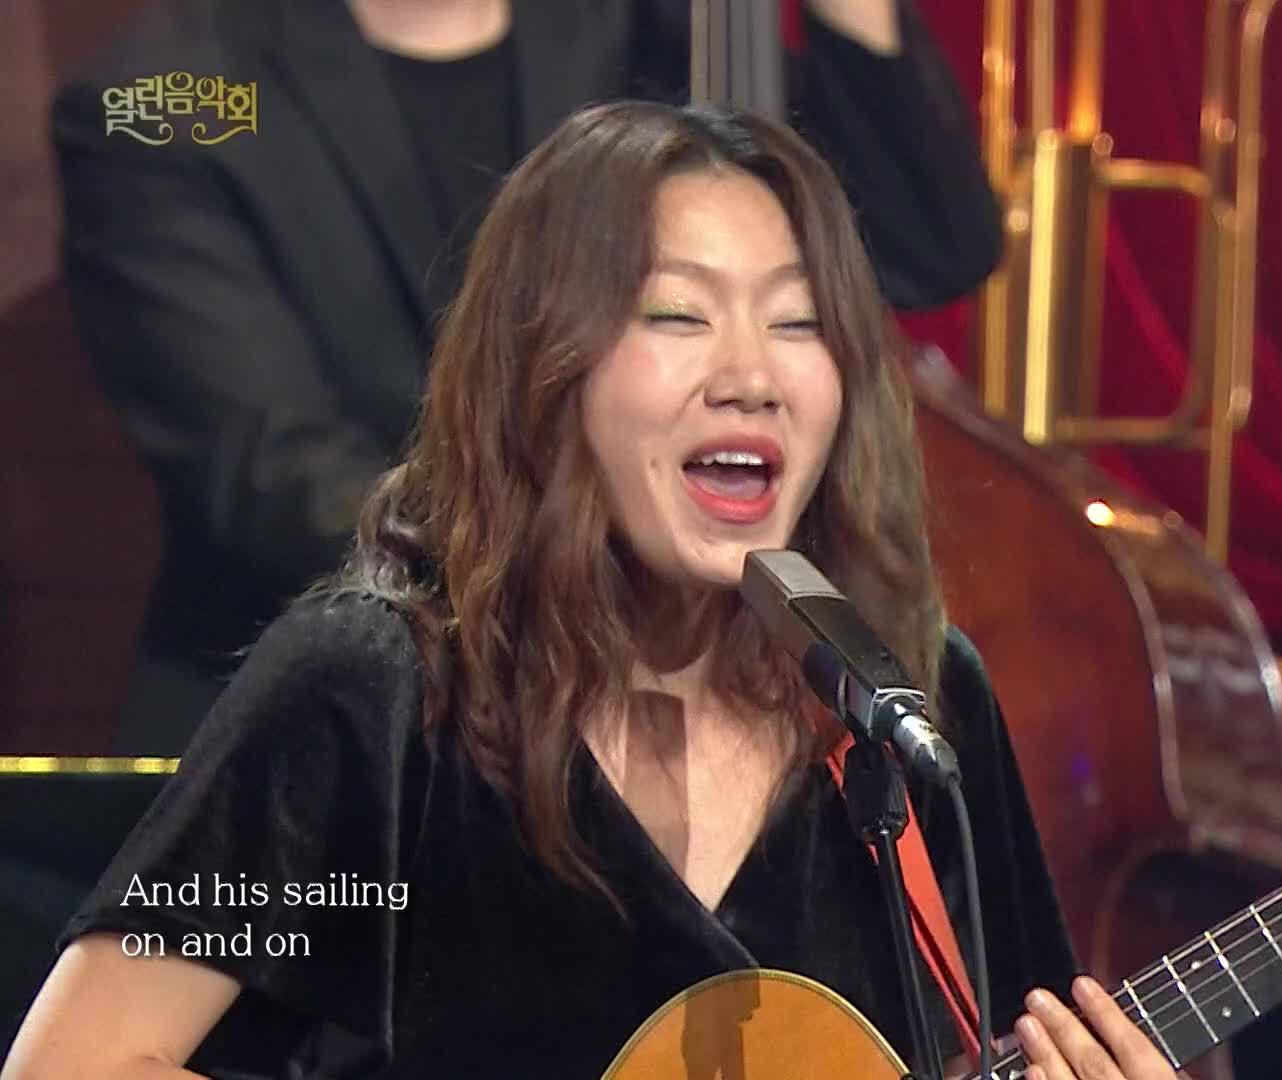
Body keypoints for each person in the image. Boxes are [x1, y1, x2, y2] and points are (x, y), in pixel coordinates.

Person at [4, 103, 1177, 1080]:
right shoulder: (376, 692)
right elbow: (73, 1066)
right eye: (678, 314)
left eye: (799, 321)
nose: (752, 375)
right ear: (544, 365)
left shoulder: (906, 697)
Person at [50, 0, 1003, 754]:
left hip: (696, 710)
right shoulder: (167, 95)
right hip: (335, 729)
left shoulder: (651, 38)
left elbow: (926, 247)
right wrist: (575, 584)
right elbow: (267, 468)